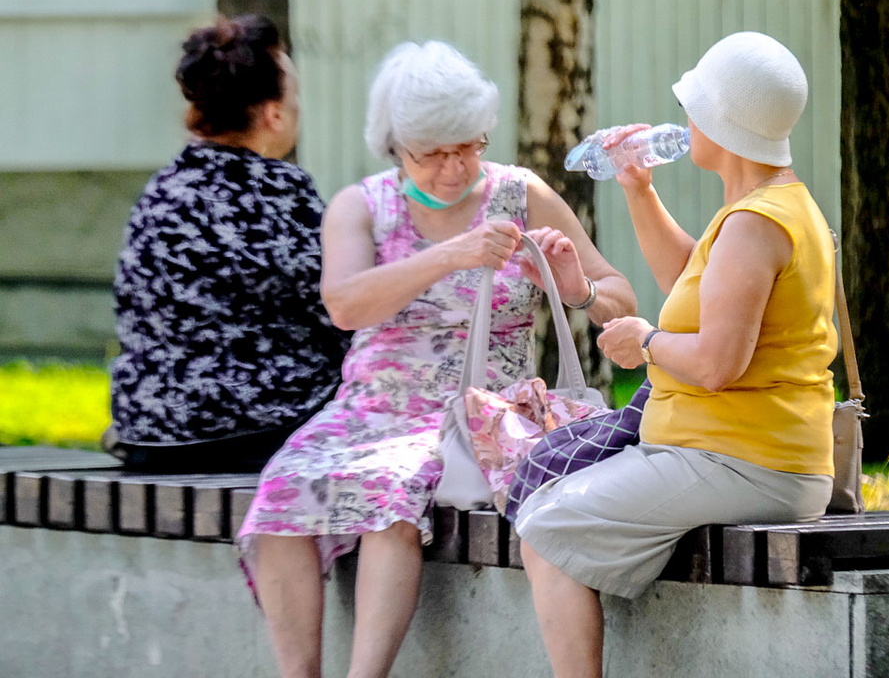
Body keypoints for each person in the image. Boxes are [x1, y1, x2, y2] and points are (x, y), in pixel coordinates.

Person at [236, 40, 636, 678]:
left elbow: (619, 299)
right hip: (371, 408)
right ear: (395, 145)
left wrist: (574, 285)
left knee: (392, 495)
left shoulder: (520, 193)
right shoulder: (362, 205)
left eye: (468, 147)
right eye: (432, 154)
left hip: (481, 413)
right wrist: (451, 255)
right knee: (281, 491)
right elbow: (345, 304)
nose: (453, 169)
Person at [517, 31, 837, 677]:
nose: (685, 121)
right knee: (552, 503)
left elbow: (717, 363)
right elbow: (692, 280)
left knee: (546, 529)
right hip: (742, 455)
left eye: (694, 108)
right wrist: (638, 188)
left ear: (722, 123)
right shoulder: (766, 207)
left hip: (745, 461)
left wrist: (646, 342)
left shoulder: (754, 224)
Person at [107, 14, 350, 473]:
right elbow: (342, 309)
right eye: (295, 96)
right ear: (274, 113)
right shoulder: (276, 189)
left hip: (150, 429)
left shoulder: (162, 190)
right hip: (251, 429)